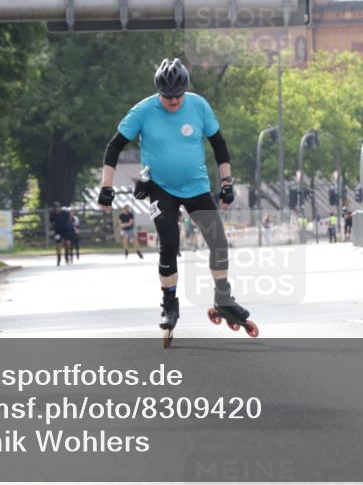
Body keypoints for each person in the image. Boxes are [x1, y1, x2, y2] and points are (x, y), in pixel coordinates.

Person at [96, 57, 252, 337]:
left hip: (197, 186)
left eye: (178, 95)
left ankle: (224, 299)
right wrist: (106, 187)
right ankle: (169, 305)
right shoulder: (143, 111)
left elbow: (219, 145)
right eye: (168, 96)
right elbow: (114, 146)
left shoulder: (198, 105)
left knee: (218, 241)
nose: (174, 101)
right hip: (160, 188)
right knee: (169, 241)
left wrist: (226, 182)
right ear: (159, 92)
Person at [48, 201, 74, 266]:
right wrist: (53, 226)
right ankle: (58, 259)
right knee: (58, 245)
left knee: (67, 243)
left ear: (59, 207)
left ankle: (66, 257)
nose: (56, 209)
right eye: (55, 208)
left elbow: (71, 217)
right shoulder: (52, 214)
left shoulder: (65, 213)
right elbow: (51, 222)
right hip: (58, 231)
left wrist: (68, 224)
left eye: (57, 207)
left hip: (65, 230)